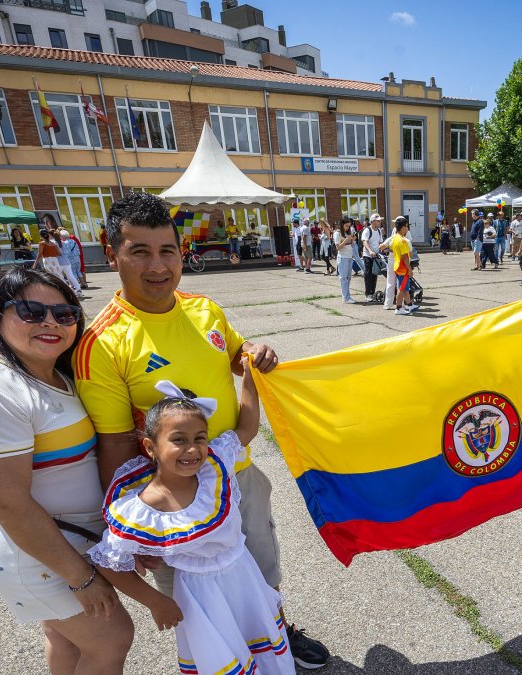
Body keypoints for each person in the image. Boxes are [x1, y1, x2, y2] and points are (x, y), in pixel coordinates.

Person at [73, 192, 330, 669]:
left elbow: (233, 356)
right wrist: (129, 523)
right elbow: (112, 445)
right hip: (177, 500)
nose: (158, 266)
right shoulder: (103, 343)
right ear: (113, 255)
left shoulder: (204, 308)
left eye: (167, 251)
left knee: (261, 567)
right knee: (196, 597)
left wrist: (253, 349)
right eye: (140, 252)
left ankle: (275, 632)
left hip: (239, 471)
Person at [0, 268, 133, 674]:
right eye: (30, 311)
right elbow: (7, 504)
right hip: (38, 552)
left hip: (65, 542)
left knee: (65, 639)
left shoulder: (53, 373)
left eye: (64, 314)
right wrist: (80, 577)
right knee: (111, 638)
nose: (50, 322)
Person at [88, 375, 294, 675]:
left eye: (199, 437)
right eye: (178, 440)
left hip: (243, 574)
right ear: (150, 446)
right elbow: (108, 562)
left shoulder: (215, 465)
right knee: (223, 657)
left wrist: (250, 375)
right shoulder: (142, 509)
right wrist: (155, 601)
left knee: (260, 645)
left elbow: (247, 427)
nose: (193, 449)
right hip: (200, 595)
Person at [37, 229, 82, 297]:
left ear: (50, 235)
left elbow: (56, 252)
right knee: (71, 276)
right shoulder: (62, 241)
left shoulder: (51, 242)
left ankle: (67, 291)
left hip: (57, 262)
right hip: (66, 261)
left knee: (60, 278)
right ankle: (79, 290)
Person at [390, 216, 417, 315]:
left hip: (397, 266)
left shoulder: (395, 238)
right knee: (401, 289)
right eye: (406, 226)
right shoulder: (403, 241)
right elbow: (405, 257)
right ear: (402, 227)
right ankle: (398, 308)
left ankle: (409, 304)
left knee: (405, 288)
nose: (407, 229)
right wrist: (410, 269)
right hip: (403, 268)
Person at [361, 213, 384, 301]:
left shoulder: (378, 231)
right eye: (378, 221)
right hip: (368, 255)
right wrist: (370, 251)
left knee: (375, 274)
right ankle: (368, 294)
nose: (379, 222)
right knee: (368, 274)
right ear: (373, 221)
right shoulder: (367, 230)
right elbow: (365, 242)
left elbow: (380, 243)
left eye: (380, 221)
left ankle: (372, 292)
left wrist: (385, 249)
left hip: (376, 255)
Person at [335, 217, 358, 303]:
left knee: (348, 278)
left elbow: (351, 245)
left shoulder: (348, 232)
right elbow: (338, 248)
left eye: (349, 226)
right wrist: (347, 240)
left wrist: (352, 239)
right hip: (342, 257)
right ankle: (345, 297)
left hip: (349, 257)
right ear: (341, 225)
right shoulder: (337, 233)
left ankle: (347, 296)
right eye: (346, 226)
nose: (348, 228)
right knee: (343, 278)